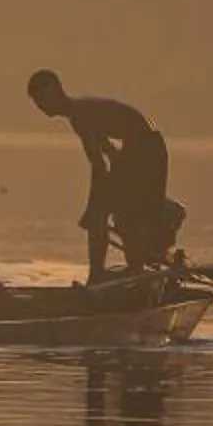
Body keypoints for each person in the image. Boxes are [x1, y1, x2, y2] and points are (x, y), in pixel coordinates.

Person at [27, 69, 181, 281]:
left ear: (54, 91)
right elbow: (110, 155)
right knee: (120, 209)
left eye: (41, 99)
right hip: (144, 145)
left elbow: (98, 166)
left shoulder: (80, 114)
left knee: (109, 212)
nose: (40, 106)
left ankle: (100, 272)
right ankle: (137, 254)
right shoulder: (79, 114)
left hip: (146, 146)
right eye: (36, 102)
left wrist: (95, 209)